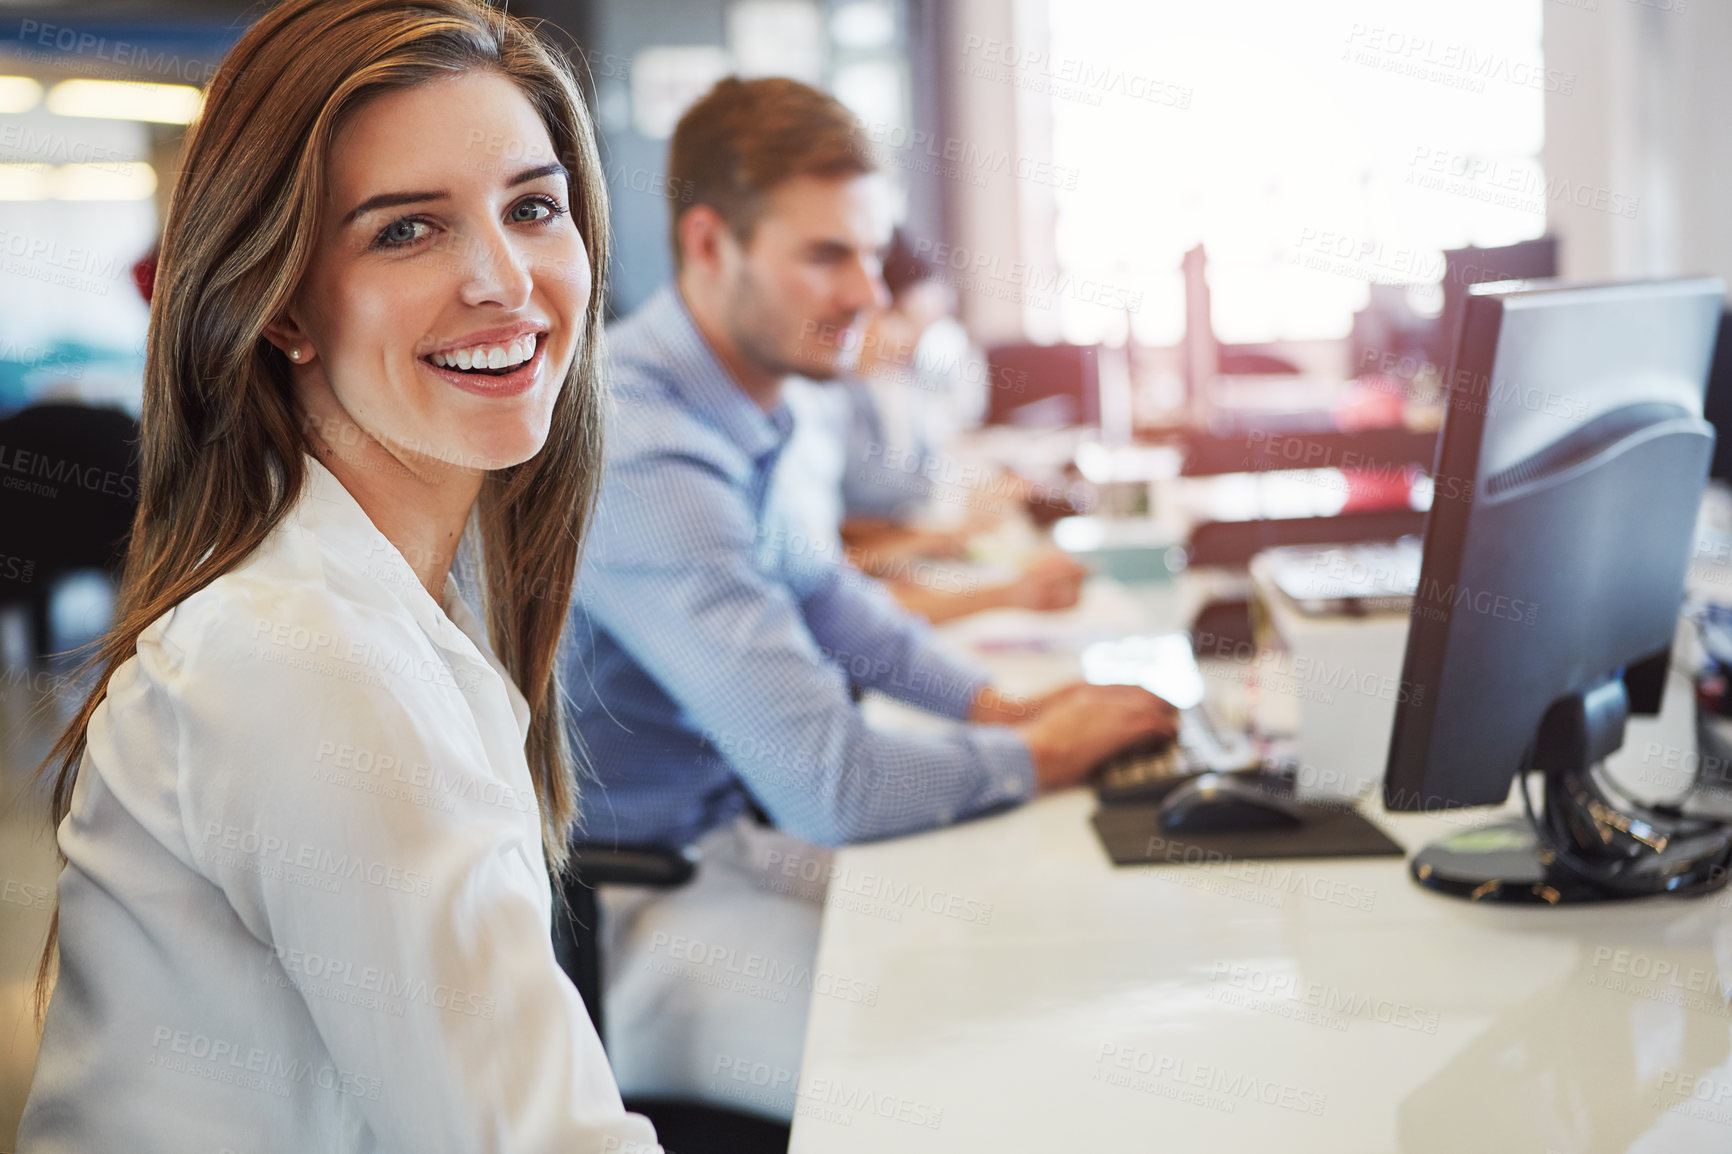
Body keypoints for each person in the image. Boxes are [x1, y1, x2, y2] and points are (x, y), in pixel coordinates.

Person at [19, 1, 658, 1150]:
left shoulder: (395, 592)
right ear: (284, 308)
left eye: (532, 206)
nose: (506, 280)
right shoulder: (306, 662)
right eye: (406, 231)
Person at [563, 76, 1175, 1121]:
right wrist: (1050, 748)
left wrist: (998, 708)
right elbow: (831, 785)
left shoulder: (765, 398)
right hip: (628, 908)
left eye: (871, 254)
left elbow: (829, 595)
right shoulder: (641, 443)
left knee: (1050, 948)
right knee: (971, 1078)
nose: (868, 294)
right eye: (826, 255)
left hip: (735, 840)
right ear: (710, 246)